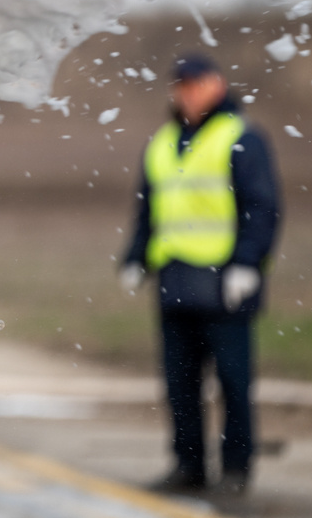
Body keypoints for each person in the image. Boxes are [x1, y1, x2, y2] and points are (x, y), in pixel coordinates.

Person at [119, 55, 280, 495]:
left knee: (233, 380)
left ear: (217, 85)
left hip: (224, 282)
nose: (187, 94)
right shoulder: (163, 142)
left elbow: (261, 208)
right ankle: (188, 464)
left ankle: (235, 469)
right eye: (181, 86)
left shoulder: (241, 137)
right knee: (179, 383)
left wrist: (248, 263)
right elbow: (149, 208)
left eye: (196, 84)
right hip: (175, 280)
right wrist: (135, 257)